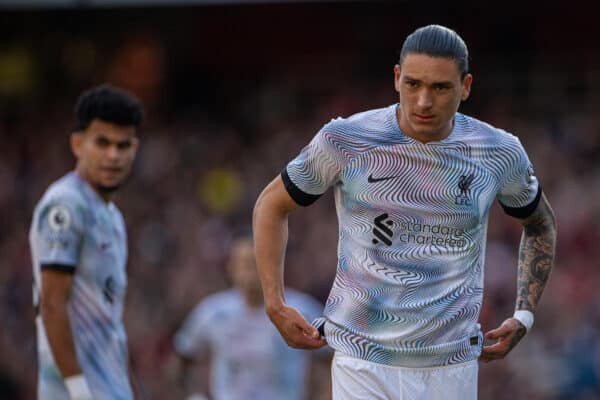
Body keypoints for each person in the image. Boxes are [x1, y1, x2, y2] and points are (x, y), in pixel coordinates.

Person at [252, 24, 557, 400]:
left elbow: (540, 223)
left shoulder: (497, 152)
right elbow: (271, 204)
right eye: (413, 84)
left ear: (466, 86)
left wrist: (524, 314)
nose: (424, 101)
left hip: (450, 367)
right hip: (361, 360)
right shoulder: (347, 139)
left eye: (440, 87)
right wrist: (274, 302)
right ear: (397, 78)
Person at [29, 84, 143, 400]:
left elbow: (109, 325)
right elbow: (53, 304)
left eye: (123, 146)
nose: (113, 155)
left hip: (109, 387)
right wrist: (78, 390)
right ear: (77, 144)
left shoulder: (112, 217)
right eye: (102, 142)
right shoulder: (65, 205)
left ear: (135, 149)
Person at [172, 237, 327, 400]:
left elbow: (331, 355)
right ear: (231, 268)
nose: (251, 272)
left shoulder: (302, 310)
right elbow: (182, 358)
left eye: (258, 262)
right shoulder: (213, 312)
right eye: (245, 264)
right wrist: (193, 395)